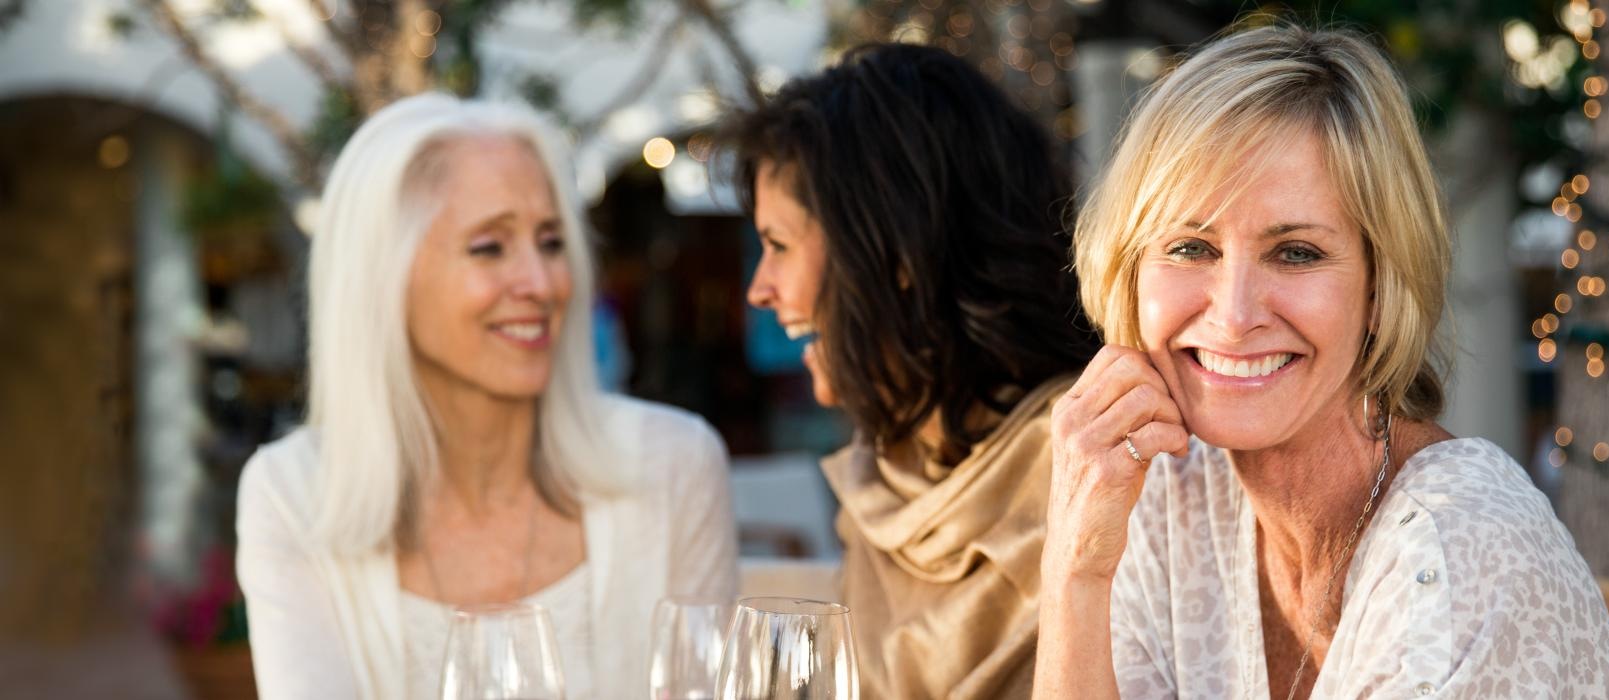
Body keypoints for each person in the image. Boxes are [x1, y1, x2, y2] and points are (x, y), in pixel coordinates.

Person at [1034, 24, 1609, 698]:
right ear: (1130, 271)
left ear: (1380, 287)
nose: (1233, 315)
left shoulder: (1458, 552)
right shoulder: (1172, 493)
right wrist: (1075, 566)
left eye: (1296, 253)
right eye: (1190, 248)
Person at [235, 94, 737, 699]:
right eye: (489, 247)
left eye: (551, 242)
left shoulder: (674, 465)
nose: (542, 282)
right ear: (383, 279)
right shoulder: (293, 496)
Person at [721, 43, 1099, 698]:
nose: (760, 289)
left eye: (778, 245)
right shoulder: (881, 482)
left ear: (895, 251)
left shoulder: (1096, 462)